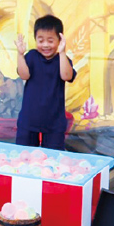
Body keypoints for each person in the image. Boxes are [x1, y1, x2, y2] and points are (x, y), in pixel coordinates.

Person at [14, 15, 76, 150]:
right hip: (29, 120)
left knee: (52, 160)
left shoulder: (63, 59)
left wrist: (62, 52)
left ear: (60, 40)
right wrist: (20, 54)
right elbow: (24, 75)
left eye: (50, 40)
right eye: (41, 40)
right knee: (24, 157)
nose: (45, 45)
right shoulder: (31, 56)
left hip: (54, 122)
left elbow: (66, 76)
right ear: (35, 39)